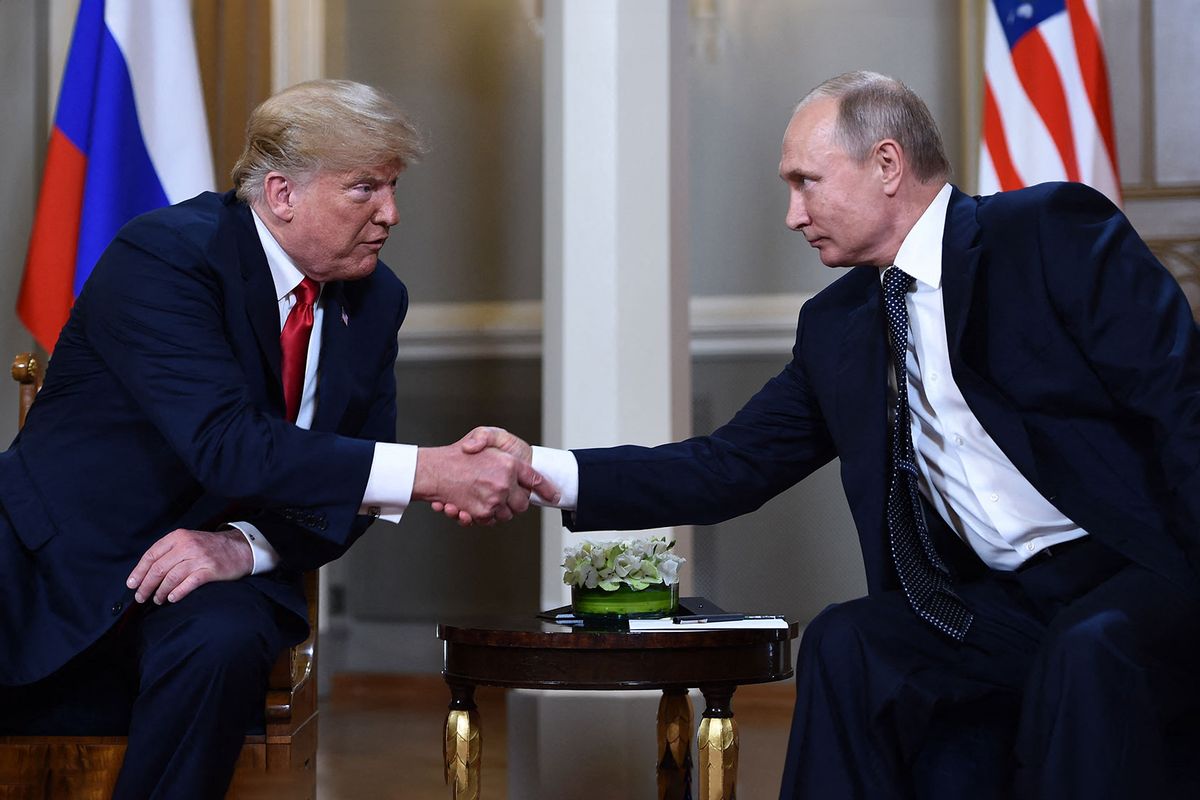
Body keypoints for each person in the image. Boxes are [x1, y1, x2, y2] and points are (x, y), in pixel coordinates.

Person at [446, 71, 1200, 798]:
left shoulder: (1046, 231)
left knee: (1089, 648)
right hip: (996, 602)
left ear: (886, 164)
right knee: (849, 641)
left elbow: (1180, 404)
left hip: (1134, 571)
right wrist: (547, 470)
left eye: (806, 181)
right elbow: (730, 464)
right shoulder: (839, 325)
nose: (793, 214)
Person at [0, 79, 555, 798]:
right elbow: (227, 441)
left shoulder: (377, 298)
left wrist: (243, 546)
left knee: (221, 641)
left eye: (392, 187)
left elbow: (352, 483)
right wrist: (432, 472)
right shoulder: (167, 257)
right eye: (365, 188)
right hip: (60, 560)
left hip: (217, 575)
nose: (391, 213)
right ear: (282, 193)